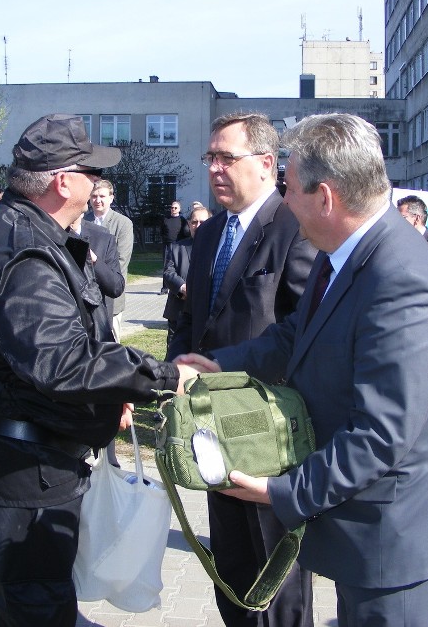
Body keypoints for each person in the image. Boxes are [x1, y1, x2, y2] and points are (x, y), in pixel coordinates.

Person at [177, 113, 428, 626]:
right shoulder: (345, 251)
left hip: (394, 537)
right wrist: (218, 366)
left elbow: (380, 434)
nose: (283, 201)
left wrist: (281, 493)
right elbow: (297, 333)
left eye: (289, 188)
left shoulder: (401, 281)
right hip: (363, 521)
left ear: (325, 197)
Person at [0, 113, 198, 625]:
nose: (97, 184)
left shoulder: (25, 229)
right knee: (32, 606)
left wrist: (110, 393)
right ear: (63, 181)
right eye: (90, 173)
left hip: (6, 459)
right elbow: (61, 361)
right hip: (20, 472)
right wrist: (165, 377)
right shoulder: (26, 248)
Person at [167, 111, 317, 627]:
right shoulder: (208, 235)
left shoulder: (295, 228)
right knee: (231, 565)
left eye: (226, 158)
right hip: (212, 423)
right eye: (210, 158)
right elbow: (192, 320)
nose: (214, 169)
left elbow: (304, 333)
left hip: (270, 431)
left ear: (267, 164)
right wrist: (176, 369)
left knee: (276, 575)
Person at [85, 179, 133, 342]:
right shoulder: (82, 220)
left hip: (110, 294)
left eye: (102, 196)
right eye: (94, 196)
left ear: (111, 197)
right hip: (85, 293)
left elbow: (121, 260)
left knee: (111, 346)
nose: (97, 200)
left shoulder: (123, 223)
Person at [162, 205, 210, 349]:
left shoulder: (218, 247)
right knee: (174, 359)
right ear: (189, 224)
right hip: (179, 311)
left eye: (202, 222)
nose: (198, 225)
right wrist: (182, 287)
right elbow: (168, 272)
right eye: (194, 222)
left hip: (207, 313)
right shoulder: (176, 247)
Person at [159, 200, 191, 294]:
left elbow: (185, 233)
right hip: (167, 245)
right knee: (166, 266)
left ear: (179, 209)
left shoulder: (183, 220)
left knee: (178, 265)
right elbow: (162, 231)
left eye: (175, 208)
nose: (173, 209)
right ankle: (165, 288)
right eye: (172, 208)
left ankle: (178, 286)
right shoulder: (165, 219)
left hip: (178, 245)